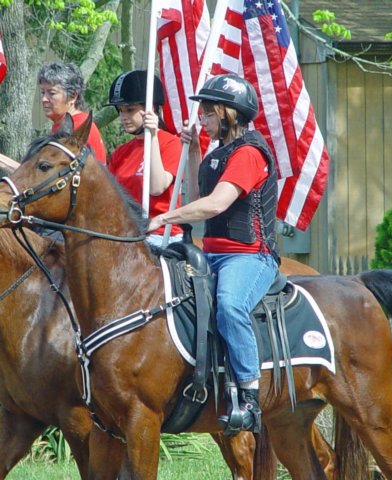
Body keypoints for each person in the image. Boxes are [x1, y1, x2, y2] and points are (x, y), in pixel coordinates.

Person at [148, 74, 280, 435]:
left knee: (230, 305)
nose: (202, 118)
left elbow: (218, 203)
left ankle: (251, 398)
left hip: (250, 256)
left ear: (228, 113)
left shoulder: (250, 152)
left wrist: (166, 216)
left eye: (208, 111)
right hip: (212, 254)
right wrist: (192, 153)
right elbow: (196, 195)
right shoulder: (215, 155)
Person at [0, 61, 106, 172]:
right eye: (43, 92)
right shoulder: (62, 126)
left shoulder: (78, 128)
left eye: (51, 93)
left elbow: (44, 180)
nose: (44, 99)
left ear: (73, 96)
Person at [107, 70, 183, 247]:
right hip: (125, 234)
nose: (123, 117)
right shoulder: (121, 152)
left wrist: (153, 136)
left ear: (151, 109)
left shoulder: (171, 143)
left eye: (130, 110)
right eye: (120, 111)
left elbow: (157, 188)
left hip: (161, 235)